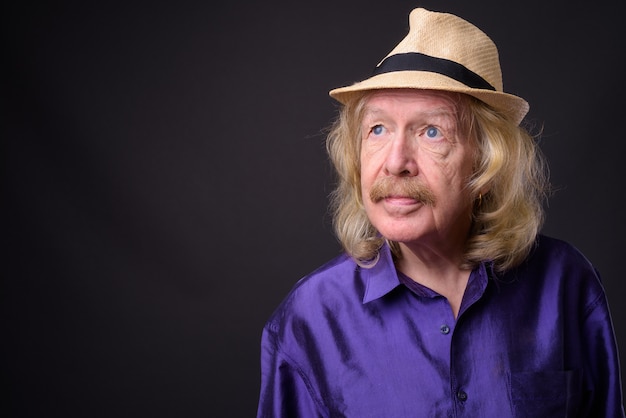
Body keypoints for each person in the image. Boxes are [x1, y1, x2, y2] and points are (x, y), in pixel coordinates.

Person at [256, 7, 625, 417]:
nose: (396, 162)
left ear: (486, 163)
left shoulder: (565, 284)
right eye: (377, 129)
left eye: (432, 131)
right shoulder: (310, 319)